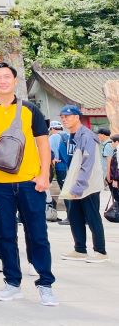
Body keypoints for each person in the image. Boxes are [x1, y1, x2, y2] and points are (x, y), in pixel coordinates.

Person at [0, 62, 57, 306]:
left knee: (38, 234)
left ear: (14, 81)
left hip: (29, 182)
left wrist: (44, 175)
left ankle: (45, 284)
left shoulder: (30, 110)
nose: (2, 81)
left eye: (7, 77)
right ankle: (12, 283)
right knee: (5, 234)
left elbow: (43, 143)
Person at [57, 105, 107, 263]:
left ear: (77, 117)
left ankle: (100, 251)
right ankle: (80, 249)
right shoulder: (70, 136)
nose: (64, 119)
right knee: (75, 216)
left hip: (87, 184)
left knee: (92, 217)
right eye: (62, 117)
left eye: (67, 116)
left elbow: (88, 163)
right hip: (75, 183)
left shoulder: (87, 136)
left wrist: (79, 186)